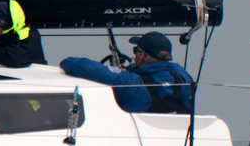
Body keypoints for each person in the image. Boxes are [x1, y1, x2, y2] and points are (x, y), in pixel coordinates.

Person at [59, 31, 195, 114]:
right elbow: (167, 67)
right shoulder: (184, 79)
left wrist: (128, 70)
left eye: (136, 51)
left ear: (141, 55)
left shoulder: (129, 82)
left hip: (136, 138)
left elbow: (71, 64)